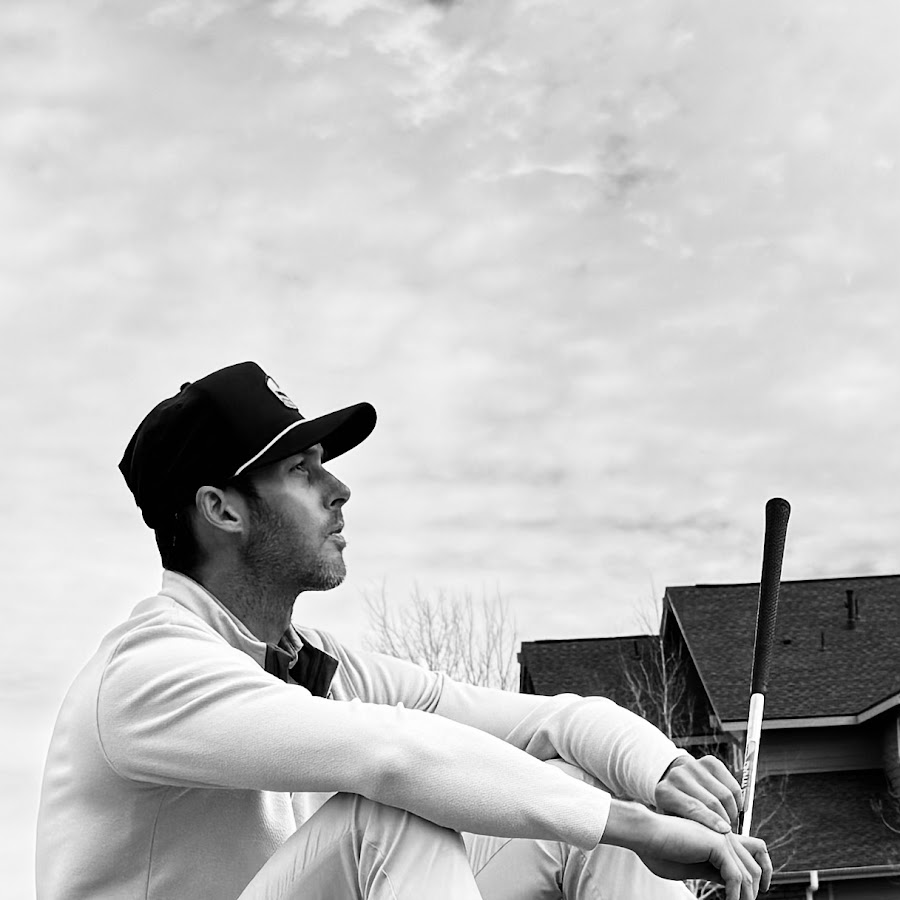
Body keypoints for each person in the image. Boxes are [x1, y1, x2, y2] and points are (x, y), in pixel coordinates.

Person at [36, 361, 771, 900]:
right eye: (301, 470)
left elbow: (553, 722)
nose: (339, 488)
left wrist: (663, 777)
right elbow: (395, 757)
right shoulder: (147, 671)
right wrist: (636, 827)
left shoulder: (319, 664)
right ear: (222, 510)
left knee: (578, 796)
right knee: (390, 815)